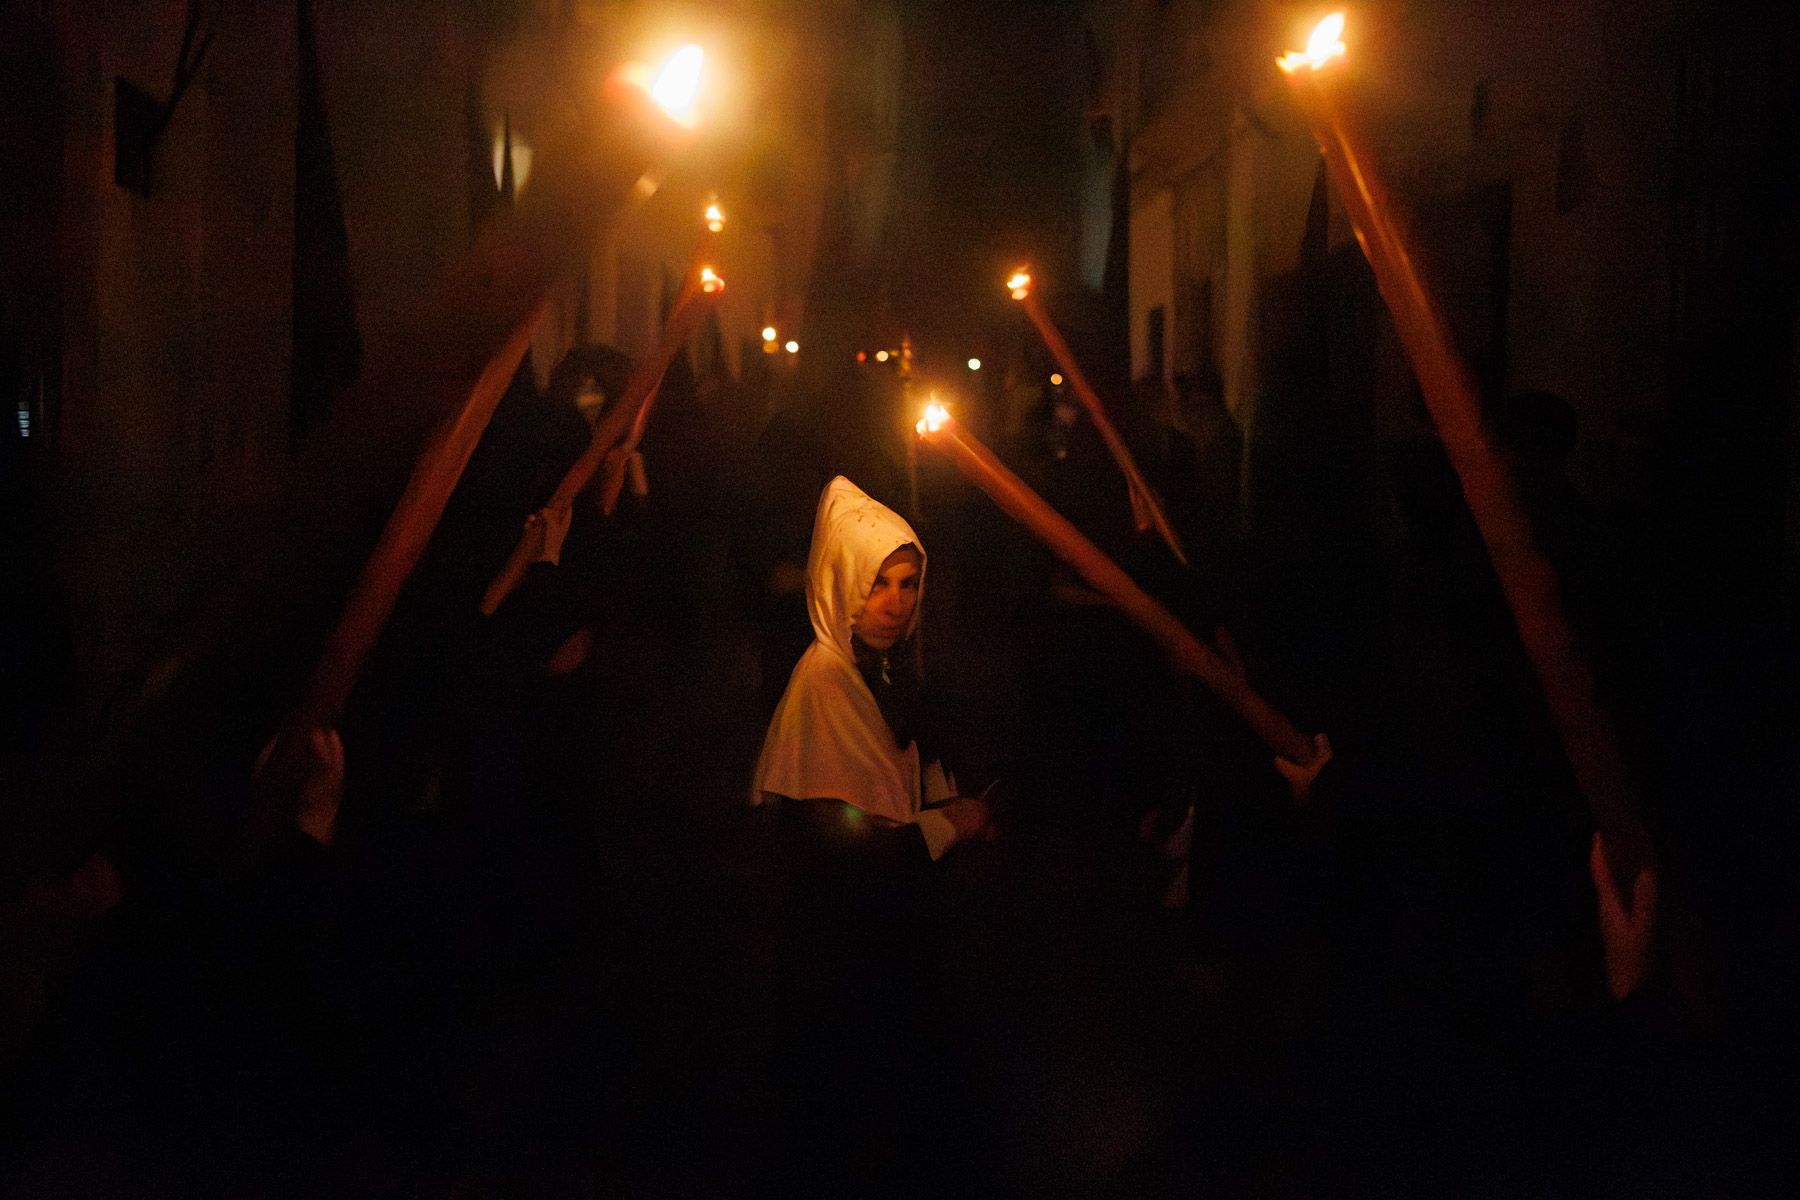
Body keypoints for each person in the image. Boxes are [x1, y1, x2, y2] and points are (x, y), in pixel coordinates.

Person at [752, 476, 991, 1194]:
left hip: (881, 967)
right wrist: (952, 823)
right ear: (838, 584)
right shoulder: (822, 688)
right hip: (843, 984)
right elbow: (854, 858)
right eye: (876, 584)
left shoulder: (870, 672)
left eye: (909, 583)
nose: (895, 603)